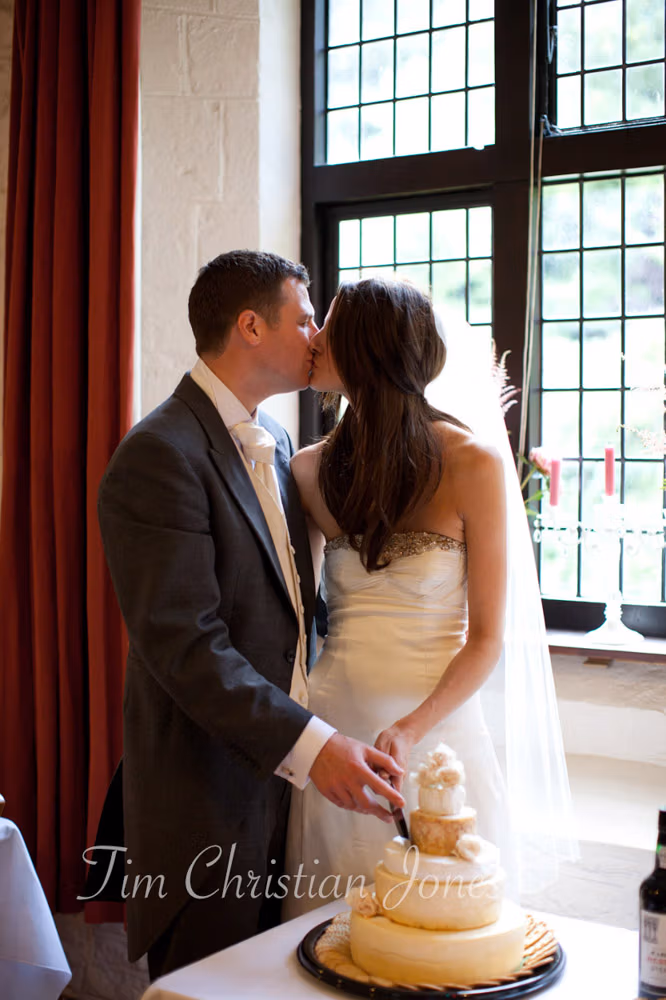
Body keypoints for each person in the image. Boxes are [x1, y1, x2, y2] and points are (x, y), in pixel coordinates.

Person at [95, 251, 404, 979]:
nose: (319, 336)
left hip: (288, 794)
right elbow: (186, 647)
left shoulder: (280, 442)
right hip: (206, 801)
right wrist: (313, 745)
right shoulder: (158, 454)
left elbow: (293, 607)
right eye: (306, 319)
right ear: (251, 327)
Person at [283, 277, 577, 919]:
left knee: (443, 933)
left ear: (367, 347)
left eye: (330, 324)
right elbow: (294, 616)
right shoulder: (306, 470)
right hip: (335, 735)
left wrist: (412, 728)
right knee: (327, 939)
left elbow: (487, 639)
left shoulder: (474, 462)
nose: (315, 338)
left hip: (438, 739)